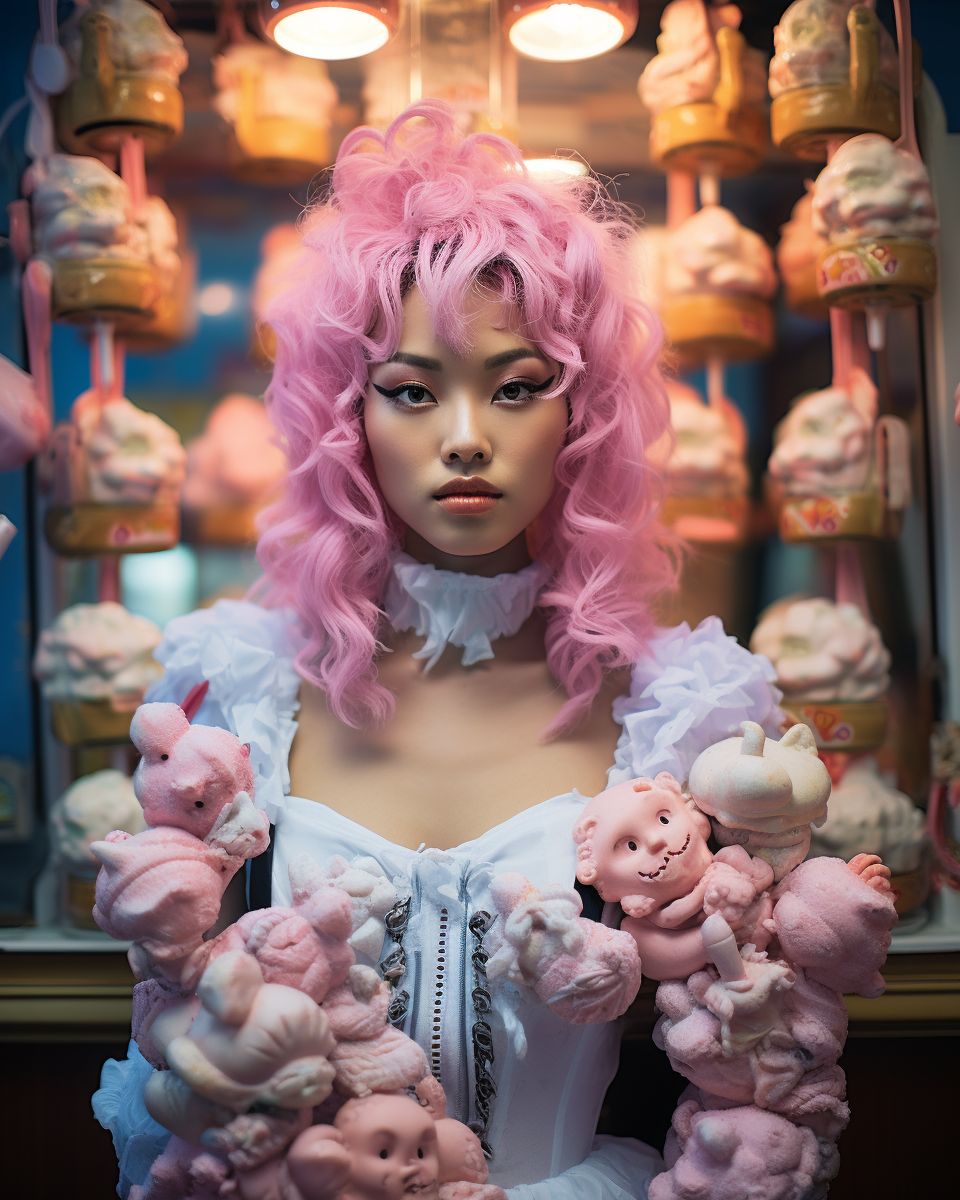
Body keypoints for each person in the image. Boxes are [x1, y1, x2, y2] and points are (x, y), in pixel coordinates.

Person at [94, 101, 783, 1200]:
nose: (466, 432)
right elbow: (177, 1067)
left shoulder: (683, 712)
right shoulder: (240, 698)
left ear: (586, 414)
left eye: (518, 386)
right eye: (412, 390)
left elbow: (760, 1055)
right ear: (345, 416)